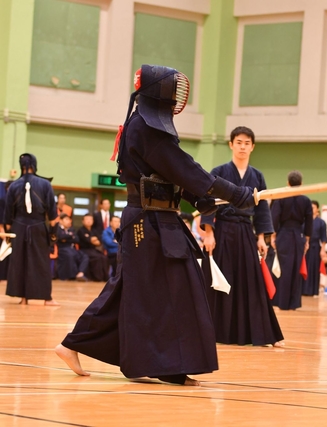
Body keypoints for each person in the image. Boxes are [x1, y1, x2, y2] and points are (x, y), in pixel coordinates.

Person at [55, 64, 255, 386]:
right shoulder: (145, 129)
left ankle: (79, 345)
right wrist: (235, 193)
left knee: (138, 290)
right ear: (158, 92)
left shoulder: (146, 128)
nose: (178, 96)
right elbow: (185, 168)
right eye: (173, 89)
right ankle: (165, 365)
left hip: (159, 220)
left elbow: (168, 175)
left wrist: (198, 199)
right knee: (165, 290)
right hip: (147, 223)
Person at [201, 126, 284, 347]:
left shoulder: (257, 176)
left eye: (247, 143)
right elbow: (208, 202)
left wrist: (261, 237)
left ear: (252, 147)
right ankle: (213, 331)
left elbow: (262, 209)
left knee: (252, 283)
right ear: (231, 144)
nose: (242, 147)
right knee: (220, 281)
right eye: (238, 142)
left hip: (246, 231)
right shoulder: (219, 171)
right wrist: (208, 232)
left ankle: (261, 334)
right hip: (223, 231)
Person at [4, 153, 59, 305]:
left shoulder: (13, 185)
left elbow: (7, 216)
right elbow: (53, 215)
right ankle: (47, 298)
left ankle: (23, 298)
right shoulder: (45, 184)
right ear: (34, 165)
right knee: (41, 262)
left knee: (19, 261)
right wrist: (53, 234)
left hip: (18, 228)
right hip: (38, 228)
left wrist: (8, 234)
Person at [270, 171, 313, 310]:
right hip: (298, 236)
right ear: (301, 183)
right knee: (295, 268)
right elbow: (309, 221)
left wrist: (273, 236)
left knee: (284, 268)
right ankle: (293, 303)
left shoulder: (281, 198)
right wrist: (307, 239)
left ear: (288, 183)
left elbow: (274, 217)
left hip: (283, 235)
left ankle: (282, 302)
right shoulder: (306, 201)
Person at [302, 200, 327, 296]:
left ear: (317, 209)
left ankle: (313, 291)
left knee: (313, 268)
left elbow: (324, 238)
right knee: (304, 267)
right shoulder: (304, 221)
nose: (311, 209)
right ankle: (303, 290)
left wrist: (323, 250)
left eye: (313, 207)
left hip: (315, 247)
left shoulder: (321, 222)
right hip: (304, 246)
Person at [55, 213, 89, 281]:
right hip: (62, 248)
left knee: (84, 256)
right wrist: (70, 236)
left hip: (72, 248)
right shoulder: (57, 228)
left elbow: (77, 239)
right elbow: (61, 237)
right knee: (70, 255)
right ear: (60, 221)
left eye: (69, 219)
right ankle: (71, 276)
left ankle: (80, 273)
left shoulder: (71, 229)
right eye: (66, 219)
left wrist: (66, 238)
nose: (69, 221)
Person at [77, 213, 109, 282]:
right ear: (83, 221)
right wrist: (93, 240)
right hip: (84, 250)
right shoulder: (81, 230)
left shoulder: (94, 230)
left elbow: (99, 242)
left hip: (93, 249)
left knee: (104, 257)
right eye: (87, 219)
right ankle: (97, 277)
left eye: (90, 219)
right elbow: (89, 240)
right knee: (97, 257)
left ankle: (105, 277)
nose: (89, 221)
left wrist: (93, 240)